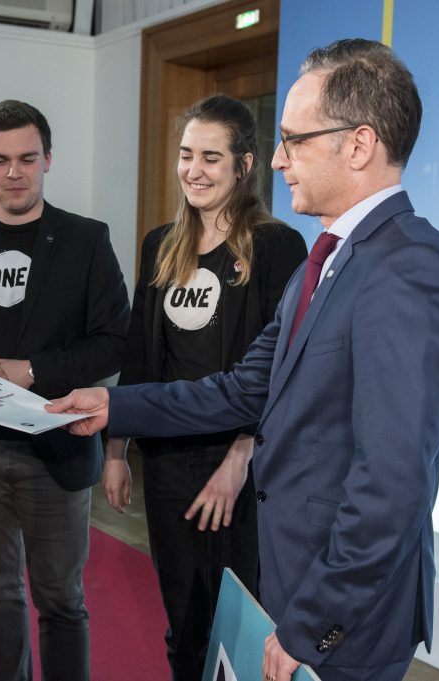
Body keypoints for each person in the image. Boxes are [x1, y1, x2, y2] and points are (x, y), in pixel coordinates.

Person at [48, 39, 439, 681]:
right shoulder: (329, 260)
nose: (276, 160)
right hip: (294, 581)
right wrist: (114, 405)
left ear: (359, 145)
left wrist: (312, 623)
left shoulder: (410, 271)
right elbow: (243, 388)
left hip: (341, 620)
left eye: (293, 140)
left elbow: (391, 486)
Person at [0, 99, 130, 681]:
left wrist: (31, 370)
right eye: (0, 160)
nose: (14, 172)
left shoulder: (86, 240)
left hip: (56, 442)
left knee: (61, 598)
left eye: (27, 159)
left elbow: (114, 340)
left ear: (48, 160)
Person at [102, 94, 305, 680]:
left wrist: (239, 459)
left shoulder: (276, 246)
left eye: (211, 158)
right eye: (187, 154)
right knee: (184, 618)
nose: (193, 170)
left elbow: (279, 373)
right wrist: (116, 450)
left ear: (245, 165)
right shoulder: (159, 244)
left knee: (242, 620)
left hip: (243, 466)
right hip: (169, 461)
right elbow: (141, 357)